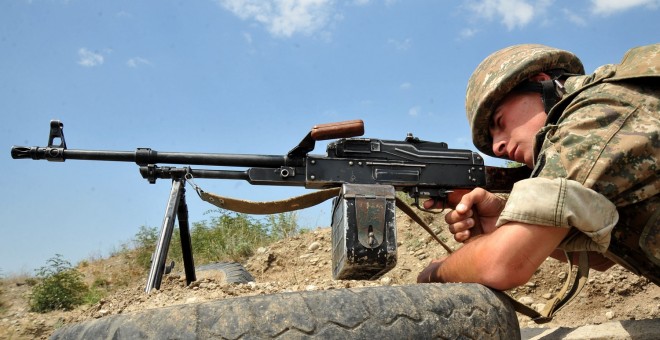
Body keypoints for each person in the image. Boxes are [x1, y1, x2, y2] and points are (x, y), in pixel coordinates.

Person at [417, 44, 659, 296]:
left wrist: (435, 273)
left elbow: (502, 265)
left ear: (541, 82)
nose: (498, 147)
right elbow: (602, 259)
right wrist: (503, 219)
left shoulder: (596, 119)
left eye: (499, 122)